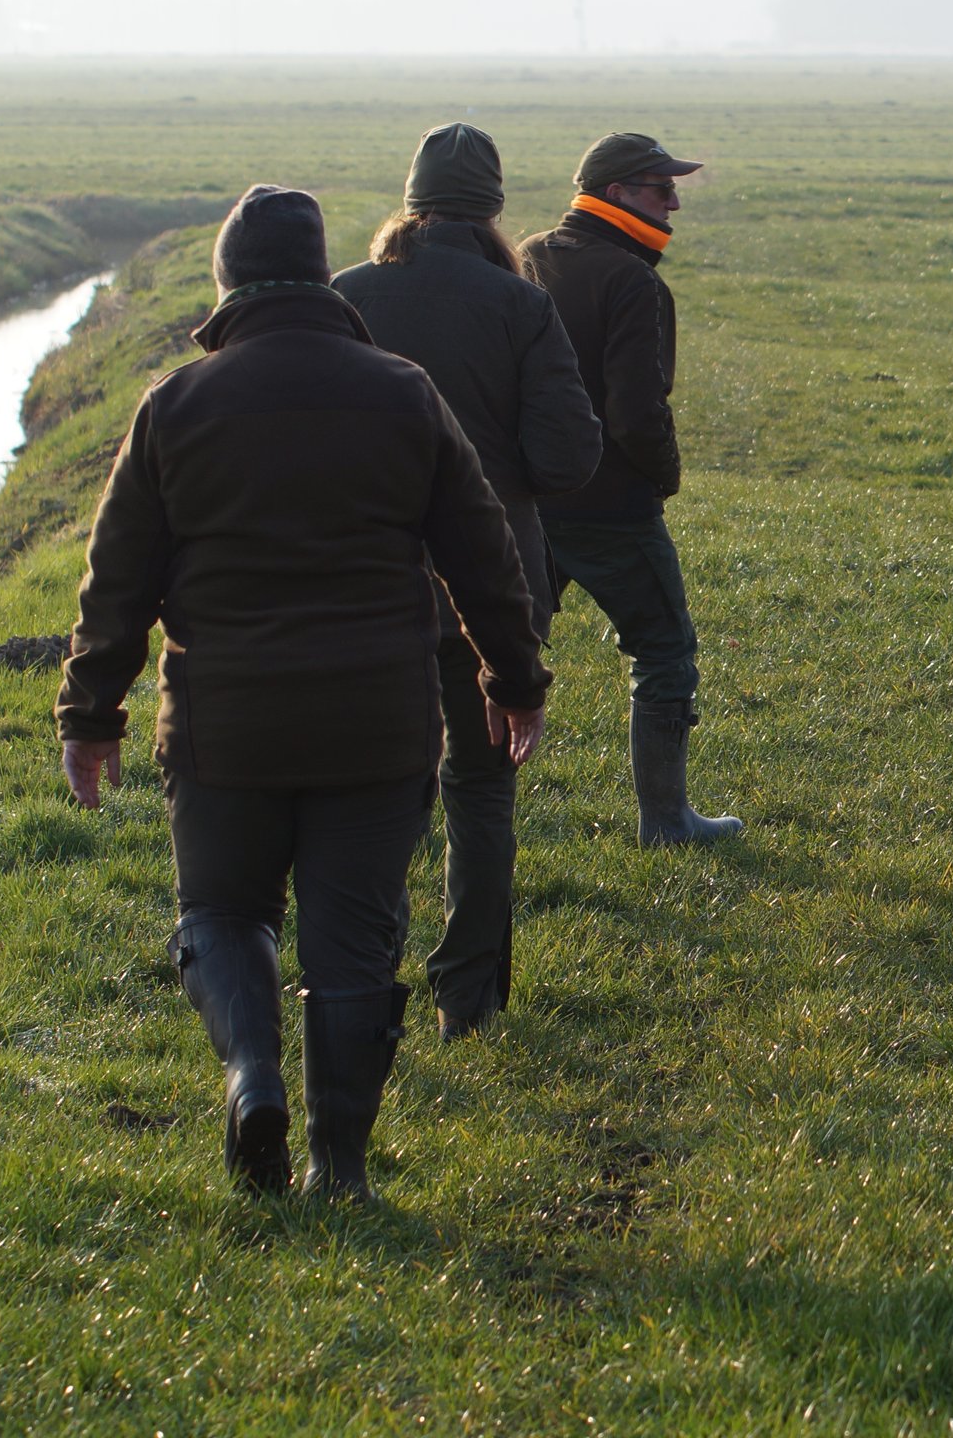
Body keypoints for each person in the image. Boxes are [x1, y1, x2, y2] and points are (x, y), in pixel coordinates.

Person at [56, 185, 550, 1199]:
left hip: (224, 724)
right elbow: (484, 553)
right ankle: (340, 1168)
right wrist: (513, 678)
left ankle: (252, 1076)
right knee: (352, 942)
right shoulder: (404, 393)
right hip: (376, 721)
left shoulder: (175, 406)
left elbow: (117, 581)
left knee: (222, 912)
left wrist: (92, 713)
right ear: (323, 277)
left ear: (226, 281)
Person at [334, 123, 600, 1042]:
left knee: (374, 795)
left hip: (369, 589)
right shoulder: (521, 306)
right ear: (492, 210)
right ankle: (466, 1001)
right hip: (492, 587)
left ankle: (358, 985)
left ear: (411, 203)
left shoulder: (346, 297)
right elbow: (567, 459)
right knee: (480, 793)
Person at [518, 132, 741, 846]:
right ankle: (667, 821)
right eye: (660, 187)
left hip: (525, 499)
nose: (674, 202)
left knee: (493, 653)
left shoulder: (528, 256)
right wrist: (663, 476)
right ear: (615, 193)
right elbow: (638, 412)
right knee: (665, 654)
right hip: (610, 505)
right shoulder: (632, 281)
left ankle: (425, 805)